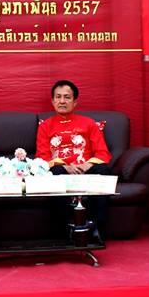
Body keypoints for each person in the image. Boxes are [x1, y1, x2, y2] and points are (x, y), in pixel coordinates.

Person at [36, 80, 112, 239]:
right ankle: (64, 230)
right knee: (53, 172)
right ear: (53, 101)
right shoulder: (45, 126)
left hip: (86, 169)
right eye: (58, 97)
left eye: (67, 97)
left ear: (75, 101)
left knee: (103, 170)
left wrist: (87, 164)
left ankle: (97, 228)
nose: (62, 101)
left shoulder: (89, 123)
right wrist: (65, 166)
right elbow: (42, 157)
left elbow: (102, 153)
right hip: (61, 170)